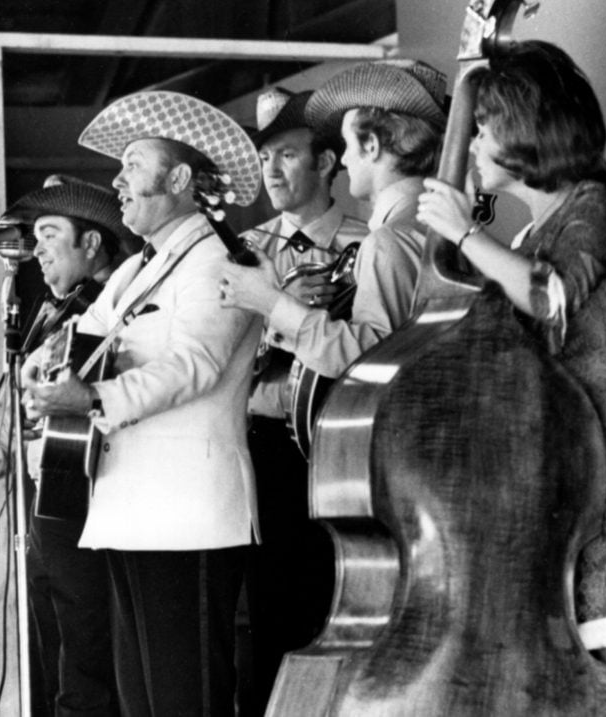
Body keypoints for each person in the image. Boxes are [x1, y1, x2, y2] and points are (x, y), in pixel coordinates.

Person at [415, 40, 606, 716]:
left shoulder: (592, 206)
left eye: (483, 125)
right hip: (568, 461)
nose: (472, 142)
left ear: (524, 128)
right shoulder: (532, 231)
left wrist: (465, 235)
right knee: (593, 658)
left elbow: (551, 297)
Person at [22, 90, 263, 717]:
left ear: (179, 179)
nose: (118, 181)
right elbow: (73, 342)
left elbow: (197, 365)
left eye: (133, 164)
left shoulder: (221, 261)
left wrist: (93, 393)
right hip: (129, 509)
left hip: (189, 515)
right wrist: (42, 373)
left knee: (188, 699)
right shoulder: (134, 273)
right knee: (141, 703)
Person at [0, 173, 138, 716]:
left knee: (87, 645)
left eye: (50, 233)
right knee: (54, 634)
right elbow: (11, 403)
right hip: (48, 497)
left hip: (94, 493)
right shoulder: (51, 310)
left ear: (91, 243)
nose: (38, 249)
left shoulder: (114, 307)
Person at [238, 86, 368, 717]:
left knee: (342, 608)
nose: (271, 169)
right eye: (265, 156)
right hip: (262, 452)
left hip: (342, 449)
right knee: (266, 620)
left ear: (326, 163)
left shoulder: (367, 242)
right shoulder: (243, 252)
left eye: (286, 154)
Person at [219, 58, 446, 417]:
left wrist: (272, 304)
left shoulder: (386, 241)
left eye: (346, 143)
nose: (344, 158)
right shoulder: (443, 227)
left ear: (370, 146)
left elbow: (371, 359)